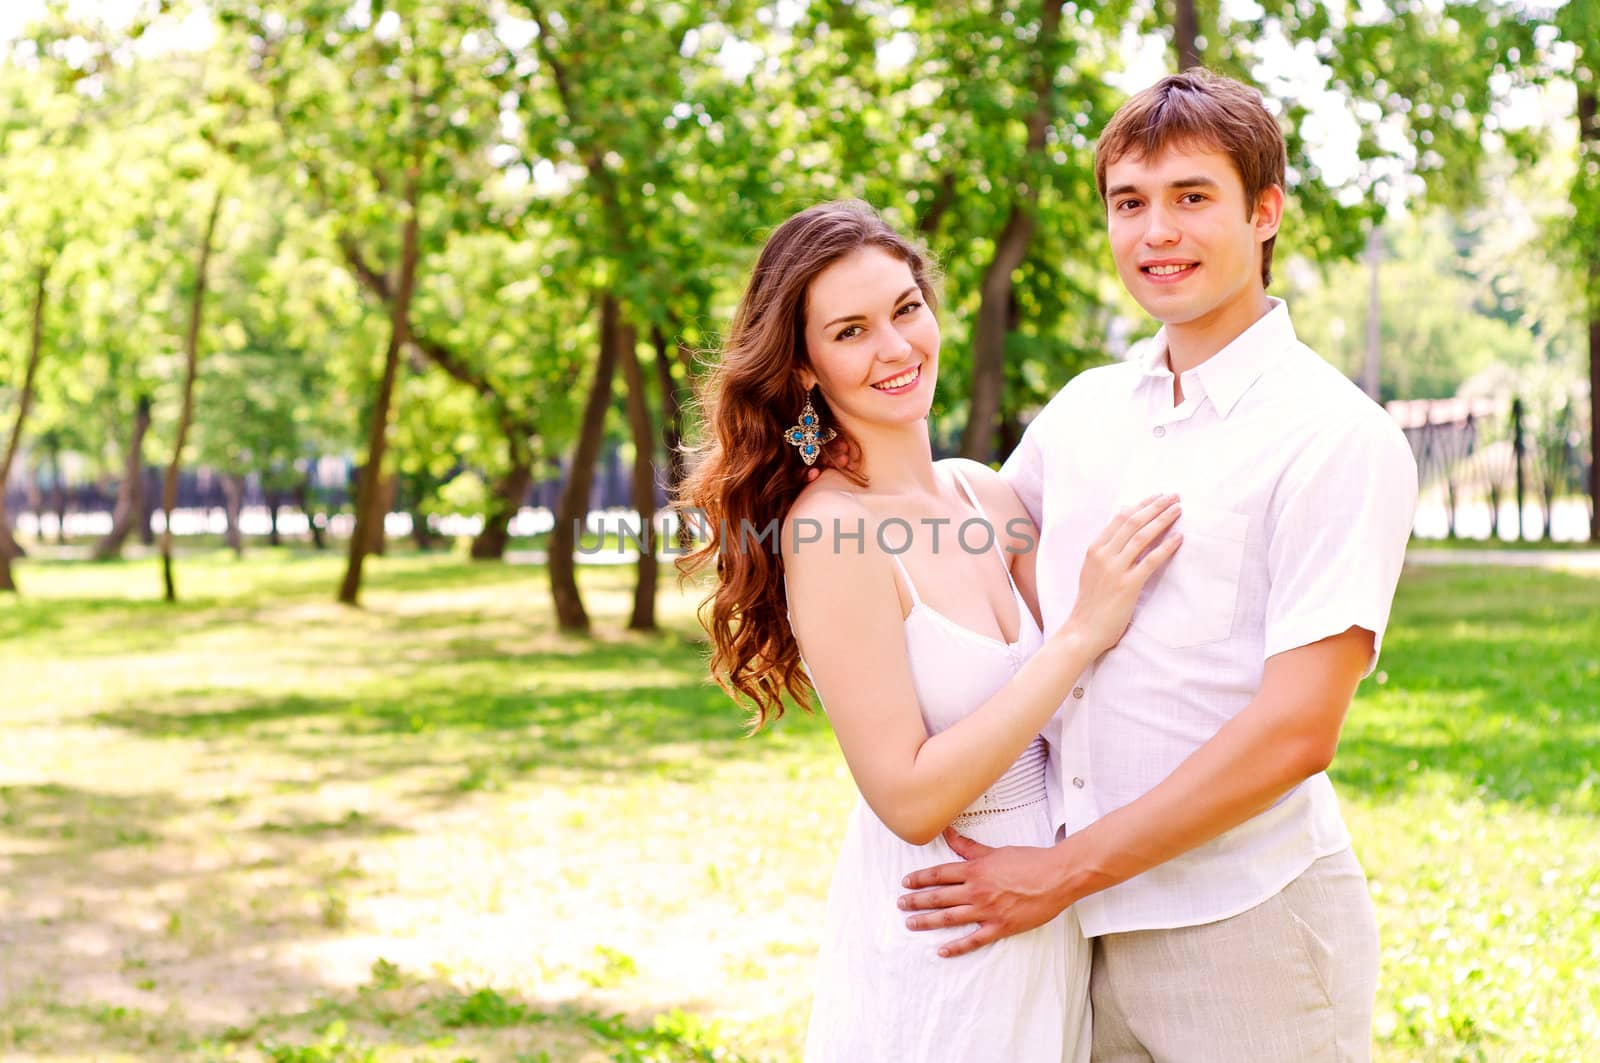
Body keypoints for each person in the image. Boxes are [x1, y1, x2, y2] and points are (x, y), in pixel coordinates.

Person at [897, 69, 1419, 1062]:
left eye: (1191, 198)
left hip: (1247, 924)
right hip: (1068, 939)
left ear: (1264, 211)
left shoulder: (1335, 436)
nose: (1154, 233)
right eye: (1128, 203)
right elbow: (975, 533)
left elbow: (1295, 732)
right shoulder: (1085, 408)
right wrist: (828, 474)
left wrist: (1059, 874)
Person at [677, 199, 1183, 1062]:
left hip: (1049, 919)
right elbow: (907, 798)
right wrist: (1076, 636)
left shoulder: (986, 494)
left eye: (907, 308)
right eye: (851, 331)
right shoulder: (830, 531)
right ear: (804, 367)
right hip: (939, 937)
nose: (896, 347)